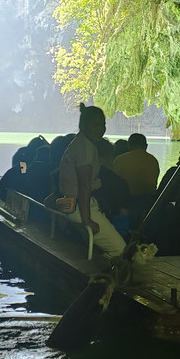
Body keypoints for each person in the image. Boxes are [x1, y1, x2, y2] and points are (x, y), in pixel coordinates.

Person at [58, 104, 126, 258]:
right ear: (83, 125)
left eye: (103, 125)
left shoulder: (79, 143)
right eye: (95, 125)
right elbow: (84, 186)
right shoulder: (85, 149)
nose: (101, 129)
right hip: (80, 207)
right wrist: (87, 220)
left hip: (70, 205)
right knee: (121, 250)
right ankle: (109, 272)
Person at [113, 133, 160, 227]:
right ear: (146, 146)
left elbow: (113, 184)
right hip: (149, 202)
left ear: (129, 145)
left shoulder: (120, 160)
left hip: (127, 203)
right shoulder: (153, 160)